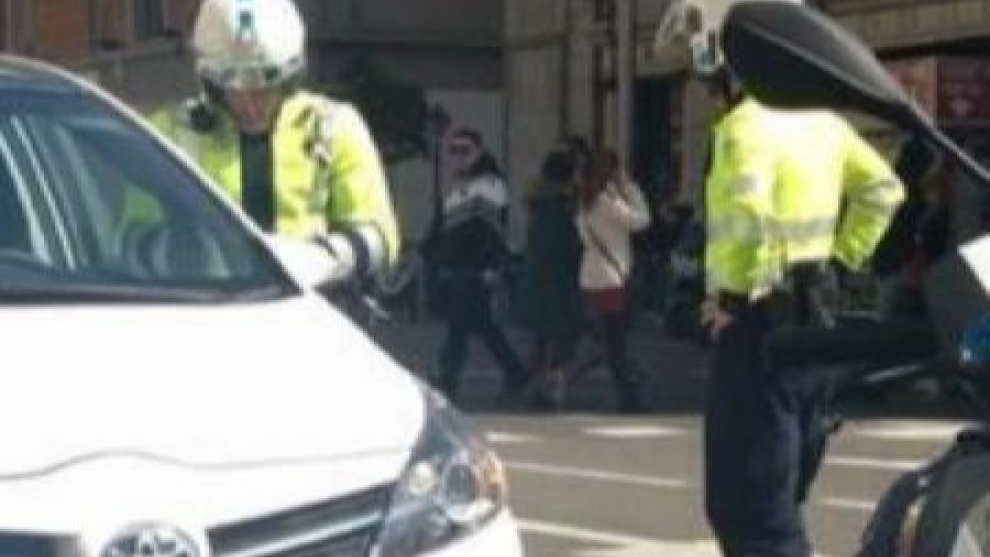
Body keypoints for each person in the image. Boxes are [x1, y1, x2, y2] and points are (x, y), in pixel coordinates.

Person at [684, 2, 907, 556]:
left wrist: (737, 299)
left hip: (761, 326)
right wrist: (840, 259)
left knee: (750, 510)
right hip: (815, 321)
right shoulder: (825, 124)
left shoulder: (743, 128)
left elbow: (747, 211)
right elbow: (885, 190)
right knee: (784, 493)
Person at [149, 0, 399, 287]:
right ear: (210, 82)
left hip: (311, 302)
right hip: (203, 303)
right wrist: (184, 253)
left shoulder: (332, 128)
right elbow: (128, 236)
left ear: (290, 79)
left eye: (264, 88)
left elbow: (380, 235)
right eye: (233, 88)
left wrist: (322, 257)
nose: (249, 104)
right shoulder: (168, 133)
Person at [427, 128, 529, 402]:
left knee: (460, 326)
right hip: (460, 269)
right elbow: (445, 230)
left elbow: (491, 229)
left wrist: (490, 265)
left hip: (474, 270)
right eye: (454, 150)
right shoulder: (459, 188)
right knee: (478, 326)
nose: (459, 156)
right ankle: (515, 373)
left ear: (479, 152)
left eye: (465, 150)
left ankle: (449, 379)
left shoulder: (490, 185)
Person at [575, 148, 651, 413]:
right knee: (616, 341)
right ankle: (628, 394)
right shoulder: (608, 202)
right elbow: (641, 221)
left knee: (607, 338)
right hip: (612, 278)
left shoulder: (585, 202)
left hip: (592, 276)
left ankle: (566, 376)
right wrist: (631, 190)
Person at [520, 137, 588, 411]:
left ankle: (540, 389)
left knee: (543, 337)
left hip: (540, 278)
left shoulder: (542, 201)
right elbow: (562, 243)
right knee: (564, 335)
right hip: (559, 280)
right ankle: (548, 390)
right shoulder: (558, 204)